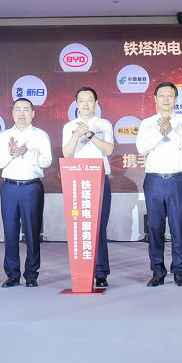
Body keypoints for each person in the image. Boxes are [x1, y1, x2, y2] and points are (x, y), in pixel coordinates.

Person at [136, 81, 182, 287]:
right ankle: (157, 272)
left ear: (176, 99)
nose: (166, 99)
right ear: (155, 99)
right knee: (154, 228)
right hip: (154, 180)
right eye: (162, 95)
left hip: (177, 180)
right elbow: (141, 148)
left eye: (170, 95)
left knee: (178, 227)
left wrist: (171, 131)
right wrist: (161, 132)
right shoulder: (147, 123)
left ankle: (179, 271)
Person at [0, 98, 52, 287]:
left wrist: (27, 152)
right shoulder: (4, 136)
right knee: (10, 231)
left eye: (26, 109)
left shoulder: (40, 135)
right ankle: (12, 275)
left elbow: (47, 161)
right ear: (12, 113)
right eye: (18, 109)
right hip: (9, 187)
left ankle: (32, 274)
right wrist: (11, 153)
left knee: (33, 231)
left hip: (32, 187)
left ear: (33, 113)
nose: (22, 113)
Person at [62, 86, 115, 288]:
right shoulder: (69, 126)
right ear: (76, 104)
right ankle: (81, 272)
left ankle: (101, 272)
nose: (85, 104)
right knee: (79, 226)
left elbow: (109, 149)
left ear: (96, 103)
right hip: (76, 179)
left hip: (99, 178)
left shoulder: (104, 124)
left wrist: (91, 135)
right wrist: (77, 135)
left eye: (89, 100)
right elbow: (67, 155)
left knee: (99, 227)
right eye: (82, 100)